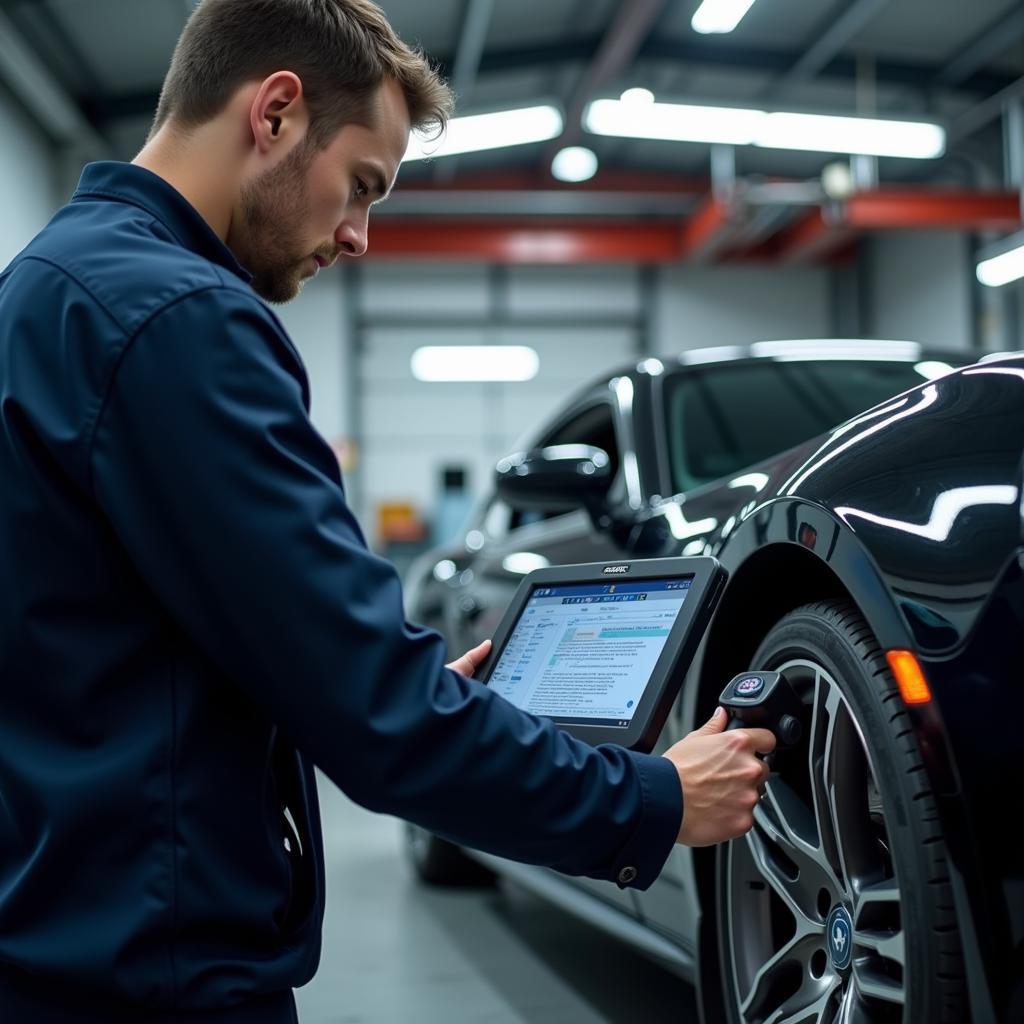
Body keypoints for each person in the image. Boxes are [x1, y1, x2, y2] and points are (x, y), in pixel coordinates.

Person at [0, 1, 775, 1021]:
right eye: (361, 185)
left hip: (59, 935)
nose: (361, 235)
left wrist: (337, 684)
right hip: (153, 974)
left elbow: (109, 653)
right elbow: (381, 720)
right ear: (275, 112)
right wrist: (655, 800)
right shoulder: (180, 320)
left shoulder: (47, 287)